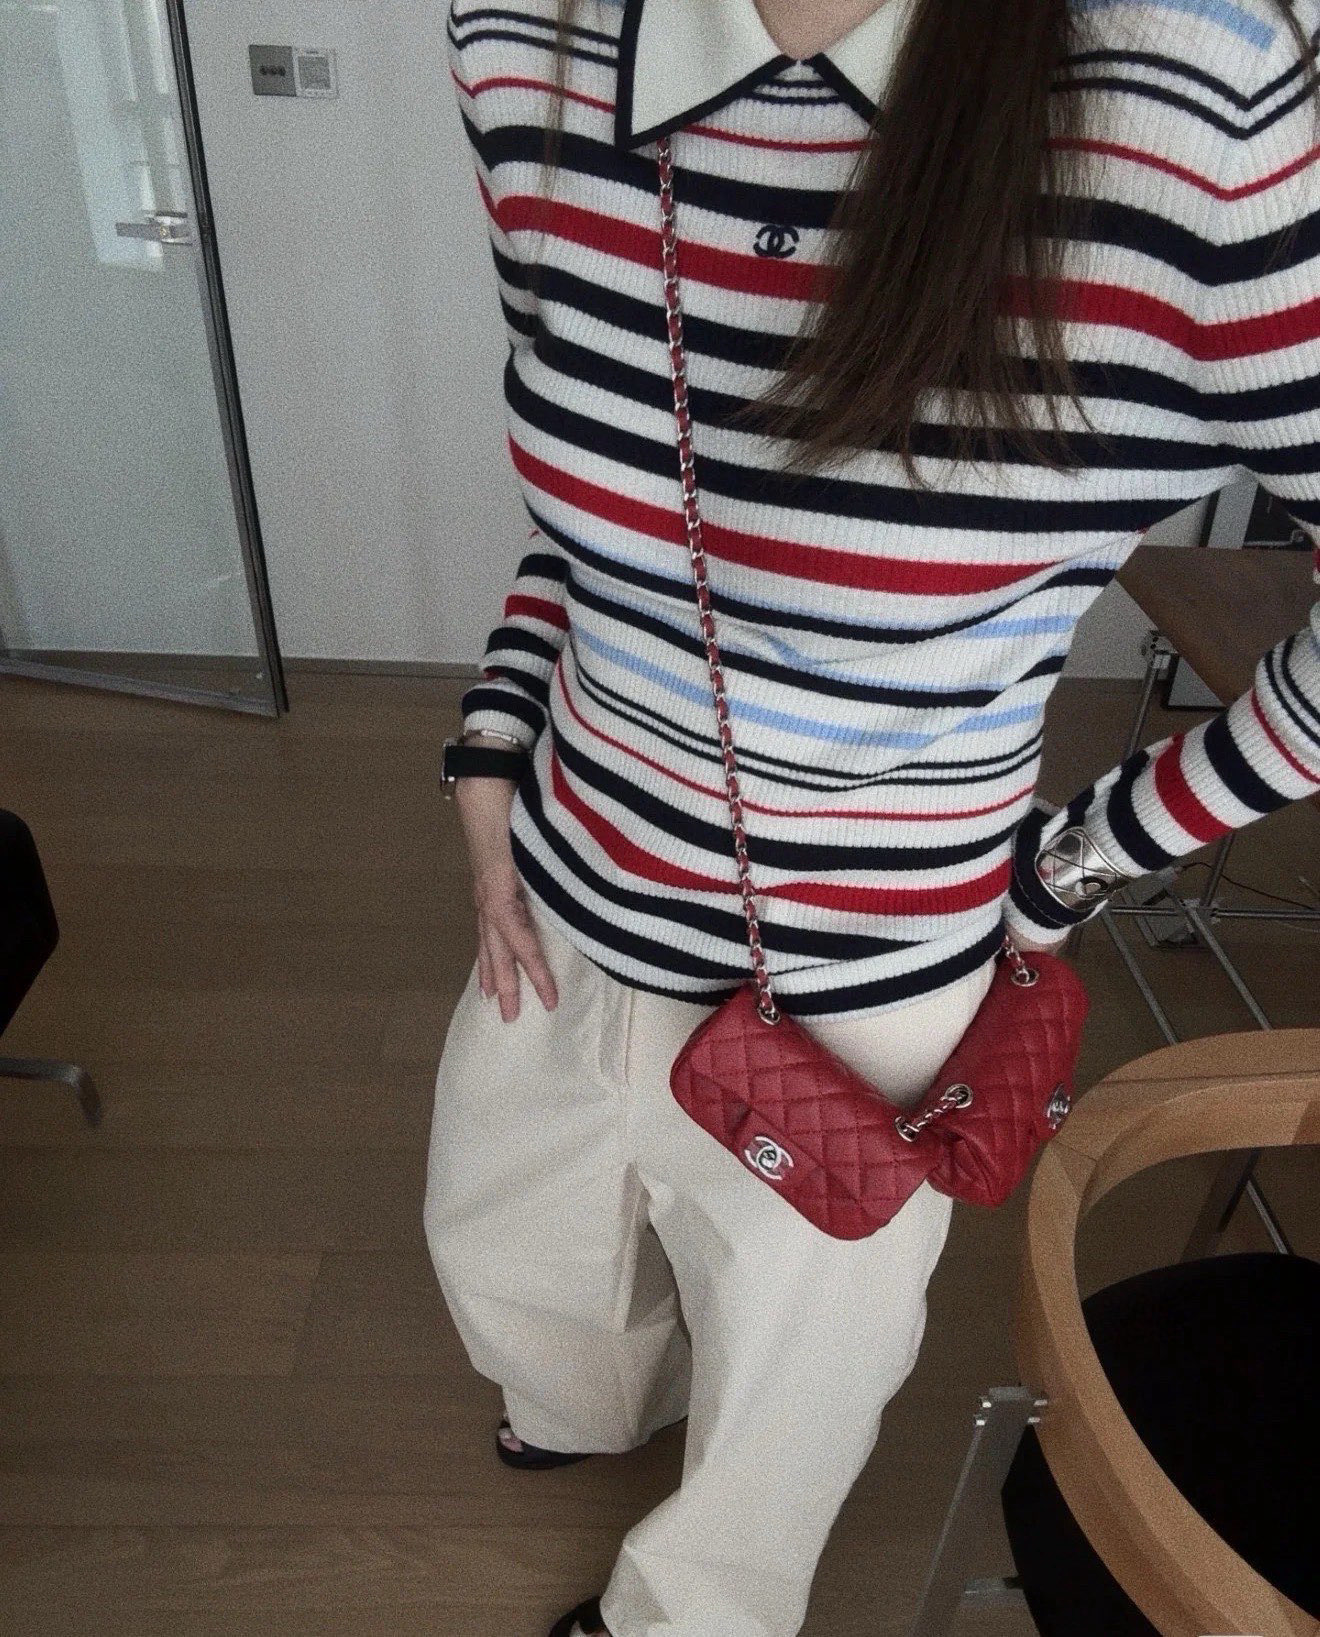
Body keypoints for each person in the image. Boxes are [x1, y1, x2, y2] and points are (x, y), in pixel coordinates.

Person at [424, 0, 1320, 1632]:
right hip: (556, 873)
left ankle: (692, 1612)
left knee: (795, 1364)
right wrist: (492, 742)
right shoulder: (521, 31)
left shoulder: (1197, 107)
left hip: (870, 968)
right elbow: (600, 497)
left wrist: (1084, 857)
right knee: (506, 1239)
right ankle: (591, 1405)